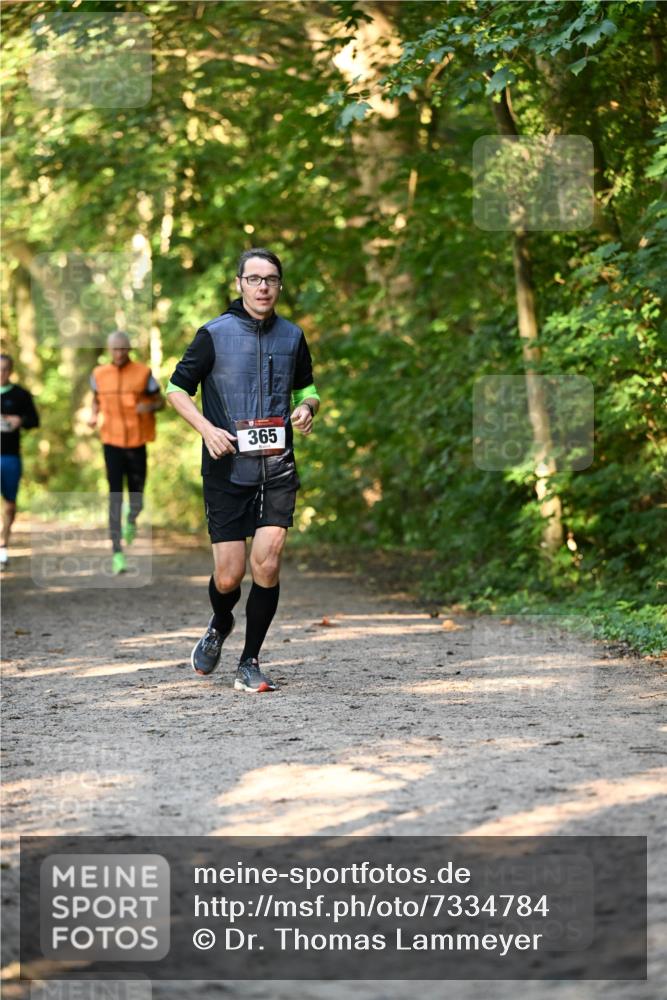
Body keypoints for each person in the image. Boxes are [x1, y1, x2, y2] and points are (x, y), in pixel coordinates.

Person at [167, 247, 320, 692]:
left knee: (267, 564)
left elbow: (307, 387)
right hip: (226, 468)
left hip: (277, 467)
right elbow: (177, 390)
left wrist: (307, 407)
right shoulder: (213, 334)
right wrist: (206, 429)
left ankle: (250, 661)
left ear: (279, 286)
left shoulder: (292, 336)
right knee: (230, 575)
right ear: (239, 284)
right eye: (254, 279)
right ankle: (220, 622)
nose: (263, 287)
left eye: (271, 279)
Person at [89, 331, 164, 575]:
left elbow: (161, 401)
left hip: (136, 441)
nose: (119, 353)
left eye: (123, 349)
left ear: (129, 349)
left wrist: (150, 406)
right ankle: (117, 553)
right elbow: (95, 399)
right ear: (108, 350)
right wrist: (92, 415)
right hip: (111, 441)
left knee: (137, 494)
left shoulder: (143, 373)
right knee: (114, 495)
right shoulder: (99, 374)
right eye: (115, 349)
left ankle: (132, 519)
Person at [0, 353, 40, 567]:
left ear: (11, 371)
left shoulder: (20, 395)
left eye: (5, 369)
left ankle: (3, 547)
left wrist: (19, 420)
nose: (1, 373)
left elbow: (35, 421)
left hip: (9, 457)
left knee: (9, 506)